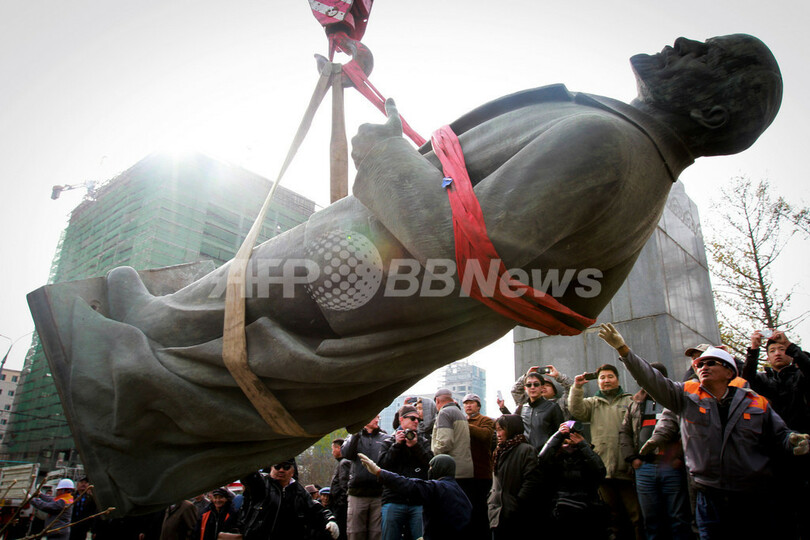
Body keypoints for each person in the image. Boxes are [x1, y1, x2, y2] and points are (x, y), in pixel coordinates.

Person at [36, 34, 785, 515]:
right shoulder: (631, 160)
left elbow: (467, 249)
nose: (684, 42)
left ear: (716, 109)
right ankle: (152, 336)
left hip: (373, 277)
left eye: (709, 54)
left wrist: (388, 159)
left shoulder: (608, 147)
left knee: (247, 305)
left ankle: (124, 364)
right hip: (378, 281)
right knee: (232, 304)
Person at [598, 322, 810, 539]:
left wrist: (792, 439)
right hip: (708, 495)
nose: (703, 366)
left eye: (712, 363)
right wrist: (623, 350)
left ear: (729, 372)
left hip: (752, 495)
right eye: (700, 364)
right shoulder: (686, 396)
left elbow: (779, 434)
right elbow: (652, 379)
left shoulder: (755, 401)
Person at [743, 329, 810, 538]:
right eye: (772, 350)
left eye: (782, 350)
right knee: (781, 509)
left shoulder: (800, 377)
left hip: (804, 448)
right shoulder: (764, 381)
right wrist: (753, 349)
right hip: (774, 452)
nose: (778, 353)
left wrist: (790, 345)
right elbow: (746, 380)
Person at [619, 362, 691, 540]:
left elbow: (688, 430)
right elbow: (624, 432)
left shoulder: (676, 399)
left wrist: (678, 457)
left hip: (671, 467)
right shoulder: (635, 404)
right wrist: (632, 459)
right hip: (644, 468)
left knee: (678, 517)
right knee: (651, 519)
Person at [569, 363, 641, 539]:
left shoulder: (630, 401)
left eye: (610, 376)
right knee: (611, 516)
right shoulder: (593, 404)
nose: (606, 380)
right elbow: (576, 410)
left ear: (617, 379)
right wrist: (577, 387)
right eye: (602, 377)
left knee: (636, 516)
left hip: (627, 467)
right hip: (603, 469)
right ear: (598, 382)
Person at [356, 453, 471, 540]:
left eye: (431, 467)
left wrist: (379, 472)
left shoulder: (437, 487)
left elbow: (408, 485)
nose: (429, 471)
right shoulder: (461, 493)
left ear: (440, 468)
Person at [220, 459, 339, 540]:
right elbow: (248, 474)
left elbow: (315, 509)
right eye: (277, 466)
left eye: (286, 467)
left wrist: (330, 520)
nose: (281, 470)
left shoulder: (299, 491)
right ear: (271, 468)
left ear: (292, 471)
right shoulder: (261, 485)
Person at [535, 421, 608, 538]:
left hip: (585, 510)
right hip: (560, 508)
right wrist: (557, 436)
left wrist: (583, 445)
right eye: (566, 442)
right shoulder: (556, 459)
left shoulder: (586, 457)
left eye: (573, 443)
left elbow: (600, 471)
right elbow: (540, 460)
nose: (569, 445)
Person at [377, 404, 432, 540]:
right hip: (393, 499)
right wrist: (396, 445)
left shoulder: (423, 441)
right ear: (401, 420)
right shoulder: (388, 441)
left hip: (418, 500)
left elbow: (431, 465)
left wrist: (415, 446)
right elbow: (382, 469)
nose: (416, 422)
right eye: (412, 418)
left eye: (418, 419)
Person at [487, 415, 536, 538]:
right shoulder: (499, 451)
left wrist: (518, 501)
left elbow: (531, 481)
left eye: (501, 429)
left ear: (512, 429)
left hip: (514, 513)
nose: (498, 434)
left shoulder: (526, 450)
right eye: (496, 430)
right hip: (496, 512)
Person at [341, 416, 387, 540]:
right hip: (357, 494)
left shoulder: (385, 438)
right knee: (355, 533)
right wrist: (356, 434)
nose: (377, 420)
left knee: (377, 533)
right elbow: (346, 454)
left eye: (378, 417)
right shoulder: (353, 437)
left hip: (379, 494)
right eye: (374, 417)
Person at [461, 393, 494, 540]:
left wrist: (465, 425)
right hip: (465, 473)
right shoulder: (461, 420)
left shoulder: (485, 420)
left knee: (480, 510)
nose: (468, 405)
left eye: (472, 403)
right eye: (466, 403)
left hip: (481, 472)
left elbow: (485, 435)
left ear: (478, 406)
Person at [431, 389, 474, 479]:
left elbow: (444, 442)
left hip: (452, 470)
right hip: (465, 469)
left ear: (437, 401)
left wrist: (433, 456)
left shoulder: (444, 413)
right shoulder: (460, 413)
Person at [500, 365, 573, 418]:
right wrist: (527, 376)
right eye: (532, 385)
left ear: (554, 392)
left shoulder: (561, 403)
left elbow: (573, 389)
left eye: (547, 385)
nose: (543, 387)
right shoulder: (527, 404)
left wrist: (558, 376)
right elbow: (516, 391)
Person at [517, 372, 564, 450]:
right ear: (525, 388)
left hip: (547, 455)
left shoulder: (552, 407)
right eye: (529, 385)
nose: (532, 387)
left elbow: (559, 434)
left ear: (542, 387)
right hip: (526, 455)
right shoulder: (522, 408)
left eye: (536, 384)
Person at [330, 438, 351, 540]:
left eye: (333, 449)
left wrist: (340, 504)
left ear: (338, 448)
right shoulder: (342, 463)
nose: (332, 452)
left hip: (341, 507)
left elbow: (344, 486)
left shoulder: (344, 463)